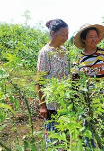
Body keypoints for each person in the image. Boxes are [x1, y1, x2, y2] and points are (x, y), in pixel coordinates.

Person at [72, 23, 104, 151]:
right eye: (91, 37)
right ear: (84, 39)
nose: (94, 39)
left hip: (103, 97)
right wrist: (75, 98)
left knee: (103, 127)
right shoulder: (78, 58)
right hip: (85, 99)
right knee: (87, 128)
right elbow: (75, 79)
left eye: (96, 36)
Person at [36, 19, 69, 147]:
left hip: (64, 102)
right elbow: (40, 80)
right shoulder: (45, 52)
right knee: (53, 139)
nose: (65, 38)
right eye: (63, 35)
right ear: (53, 33)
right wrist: (42, 105)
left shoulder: (65, 51)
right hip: (51, 104)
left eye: (67, 34)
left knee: (65, 139)